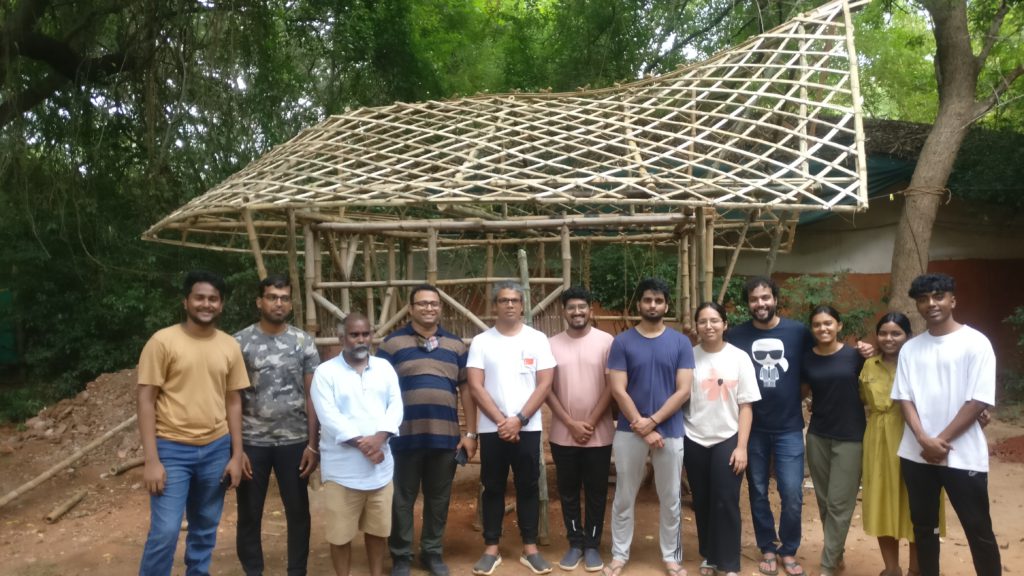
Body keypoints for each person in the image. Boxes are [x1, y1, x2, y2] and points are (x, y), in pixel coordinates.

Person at [137, 270, 250, 576]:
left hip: (215, 449)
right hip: (171, 450)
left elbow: (233, 401)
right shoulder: (162, 342)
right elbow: (146, 400)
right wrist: (151, 461)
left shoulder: (229, 346)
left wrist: (236, 455)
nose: (206, 304)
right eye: (199, 297)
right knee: (165, 531)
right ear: (186, 301)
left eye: (213, 299)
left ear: (221, 305)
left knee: (204, 529)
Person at [892, 273, 1001, 576]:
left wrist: (938, 442)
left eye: (938, 296)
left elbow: (978, 400)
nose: (931, 303)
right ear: (918, 305)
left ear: (953, 300)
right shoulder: (911, 349)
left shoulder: (976, 343)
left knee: (978, 529)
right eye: (924, 299)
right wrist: (923, 440)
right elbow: (904, 398)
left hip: (962, 455)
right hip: (916, 456)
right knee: (924, 528)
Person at [377, 284, 477, 576]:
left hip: (445, 438)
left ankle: (432, 552)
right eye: (422, 304)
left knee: (438, 498)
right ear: (410, 309)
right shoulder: (392, 345)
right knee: (401, 499)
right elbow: (378, 391)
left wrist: (470, 434)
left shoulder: (456, 345)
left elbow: (467, 391)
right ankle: (401, 556)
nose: (429, 308)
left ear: (441, 308)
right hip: (402, 438)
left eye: (434, 304)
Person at [467, 281, 557, 576]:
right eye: (503, 300)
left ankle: (530, 548)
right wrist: (502, 421)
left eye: (514, 300)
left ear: (522, 305)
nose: (509, 305)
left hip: (527, 430)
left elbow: (545, 383)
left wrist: (519, 419)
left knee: (528, 487)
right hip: (492, 430)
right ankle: (491, 548)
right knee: (491, 487)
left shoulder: (537, 339)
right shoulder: (482, 342)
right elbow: (475, 386)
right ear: (495, 306)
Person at [605, 277, 693, 576]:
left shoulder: (681, 342)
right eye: (647, 300)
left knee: (670, 497)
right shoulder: (622, 342)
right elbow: (618, 389)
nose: (652, 305)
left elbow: (683, 391)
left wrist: (652, 422)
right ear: (639, 304)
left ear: (666, 305)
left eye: (658, 300)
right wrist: (641, 425)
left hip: (669, 430)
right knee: (624, 496)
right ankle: (619, 555)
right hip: (630, 431)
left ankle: (671, 556)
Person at [233, 274, 320, 576]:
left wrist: (313, 444)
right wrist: (236, 449)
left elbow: (312, 396)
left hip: (295, 442)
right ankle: (253, 571)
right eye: (272, 296)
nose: (278, 303)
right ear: (260, 301)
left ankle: (297, 571)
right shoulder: (239, 343)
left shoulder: (303, 342)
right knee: (249, 514)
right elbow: (231, 399)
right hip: (251, 442)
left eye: (284, 298)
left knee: (298, 512)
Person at [725, 276, 812, 576]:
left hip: (788, 426)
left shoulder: (798, 332)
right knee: (758, 490)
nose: (760, 303)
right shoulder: (736, 335)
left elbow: (817, 362)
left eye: (765, 297)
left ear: (775, 298)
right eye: (754, 299)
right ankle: (767, 546)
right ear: (747, 303)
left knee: (792, 493)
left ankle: (788, 549)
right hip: (753, 429)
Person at [312, 313, 403, 576]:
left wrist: (380, 439)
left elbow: (396, 406)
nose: (361, 340)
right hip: (343, 472)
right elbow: (329, 417)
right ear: (342, 338)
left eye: (365, 334)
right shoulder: (325, 372)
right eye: (354, 335)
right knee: (340, 537)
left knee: (377, 532)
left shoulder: (384, 368)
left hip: (380, 470)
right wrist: (367, 446)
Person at [860, 312, 944, 576]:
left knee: (917, 505)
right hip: (877, 443)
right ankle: (891, 568)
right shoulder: (868, 365)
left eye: (896, 333)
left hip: (914, 439)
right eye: (883, 333)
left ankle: (915, 570)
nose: (888, 338)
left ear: (908, 336)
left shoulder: (921, 363)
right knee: (881, 503)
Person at [684, 302, 760, 576]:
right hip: (694, 437)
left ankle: (728, 563)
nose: (709, 326)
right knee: (702, 500)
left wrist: (742, 447)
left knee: (726, 499)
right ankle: (710, 556)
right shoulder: (688, 357)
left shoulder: (739, 358)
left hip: (728, 438)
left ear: (725, 324)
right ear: (696, 326)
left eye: (714, 320)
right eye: (703, 321)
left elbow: (747, 406)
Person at [546, 287, 615, 573]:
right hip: (563, 434)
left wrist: (590, 421)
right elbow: (546, 389)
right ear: (563, 311)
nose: (577, 312)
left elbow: (613, 386)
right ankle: (575, 541)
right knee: (569, 489)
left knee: (597, 491)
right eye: (571, 307)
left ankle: (592, 545)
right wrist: (570, 423)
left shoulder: (607, 341)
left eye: (582, 307)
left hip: (599, 434)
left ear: (591, 310)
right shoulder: (549, 344)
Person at [801, 306, 866, 576]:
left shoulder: (856, 356)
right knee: (824, 500)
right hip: (817, 435)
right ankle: (836, 556)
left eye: (828, 323)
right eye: (817, 325)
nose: (823, 329)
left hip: (850, 437)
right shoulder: (807, 359)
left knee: (841, 502)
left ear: (839, 325)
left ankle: (827, 566)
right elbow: (802, 392)